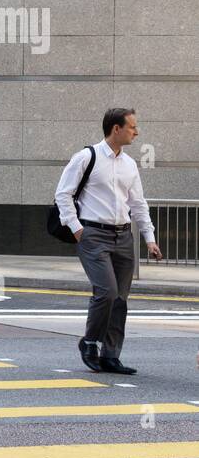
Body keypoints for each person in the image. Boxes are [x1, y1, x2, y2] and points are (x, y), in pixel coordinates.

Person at [55, 108, 162, 376]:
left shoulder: (129, 165)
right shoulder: (86, 157)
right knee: (107, 292)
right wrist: (78, 229)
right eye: (132, 127)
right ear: (116, 129)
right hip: (93, 235)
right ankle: (90, 342)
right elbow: (63, 194)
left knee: (120, 300)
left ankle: (111, 355)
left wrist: (149, 238)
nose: (136, 132)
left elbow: (138, 203)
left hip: (123, 236)